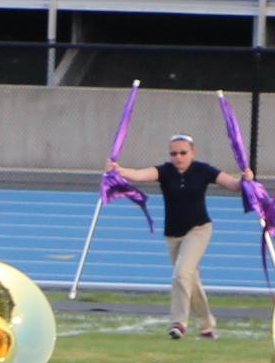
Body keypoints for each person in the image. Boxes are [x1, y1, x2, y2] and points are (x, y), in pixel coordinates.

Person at [101, 133, 252, 341]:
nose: (178, 157)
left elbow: (234, 185)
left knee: (181, 274)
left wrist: (245, 179)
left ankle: (178, 323)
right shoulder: (165, 171)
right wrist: (118, 170)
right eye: (174, 154)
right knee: (190, 280)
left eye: (183, 153)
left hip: (198, 229)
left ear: (193, 153)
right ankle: (207, 326)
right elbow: (139, 174)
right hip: (173, 234)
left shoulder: (203, 170)